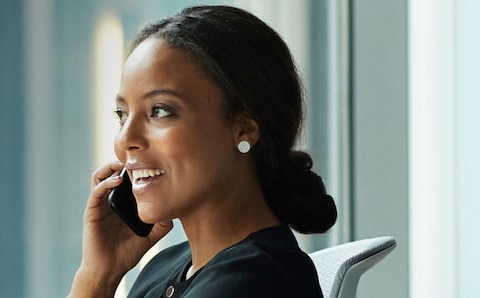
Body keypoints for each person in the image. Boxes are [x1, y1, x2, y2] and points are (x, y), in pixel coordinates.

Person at [69, 6, 337, 298]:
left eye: (159, 111)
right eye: (122, 114)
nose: (125, 139)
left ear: (244, 128)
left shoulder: (253, 281)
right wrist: (98, 276)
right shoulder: (166, 267)